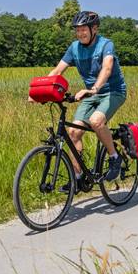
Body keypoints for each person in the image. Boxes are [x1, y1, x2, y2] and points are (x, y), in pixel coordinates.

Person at [40, 11, 127, 188]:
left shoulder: (105, 44)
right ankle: (78, 178)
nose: (80, 34)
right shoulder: (74, 48)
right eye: (77, 30)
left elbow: (107, 68)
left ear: (94, 28)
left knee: (96, 121)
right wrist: (39, 91)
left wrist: (93, 89)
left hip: (113, 92)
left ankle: (114, 158)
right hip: (90, 94)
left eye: (83, 30)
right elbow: (57, 71)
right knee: (73, 133)